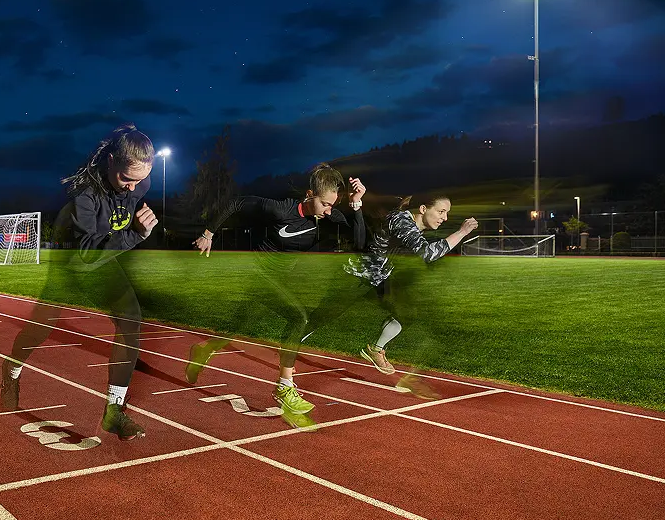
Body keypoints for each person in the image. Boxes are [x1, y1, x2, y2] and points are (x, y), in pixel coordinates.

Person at [0, 123, 157, 440]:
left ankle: (114, 412)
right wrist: (135, 234)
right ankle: (11, 368)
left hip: (102, 259)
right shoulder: (83, 195)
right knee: (41, 327)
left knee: (131, 319)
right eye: (127, 179)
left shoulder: (139, 183)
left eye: (140, 181)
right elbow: (86, 255)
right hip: (72, 262)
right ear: (111, 161)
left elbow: (107, 241)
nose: (132, 188)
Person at [184, 163, 366, 429]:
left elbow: (360, 242)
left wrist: (356, 205)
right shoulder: (281, 209)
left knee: (238, 327)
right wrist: (208, 233)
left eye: (332, 205)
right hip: (258, 274)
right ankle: (285, 387)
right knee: (299, 318)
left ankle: (203, 350)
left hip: (277, 281)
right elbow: (236, 203)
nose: (329, 210)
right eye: (326, 204)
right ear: (310, 195)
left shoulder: (328, 216)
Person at [340, 195, 478, 384]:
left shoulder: (409, 222)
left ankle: (376, 349)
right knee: (319, 318)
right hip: (360, 275)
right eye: (441, 211)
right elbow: (427, 254)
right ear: (423, 209)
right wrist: (462, 232)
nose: (445, 218)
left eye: (447, 213)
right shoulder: (401, 220)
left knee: (407, 311)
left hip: (378, 276)